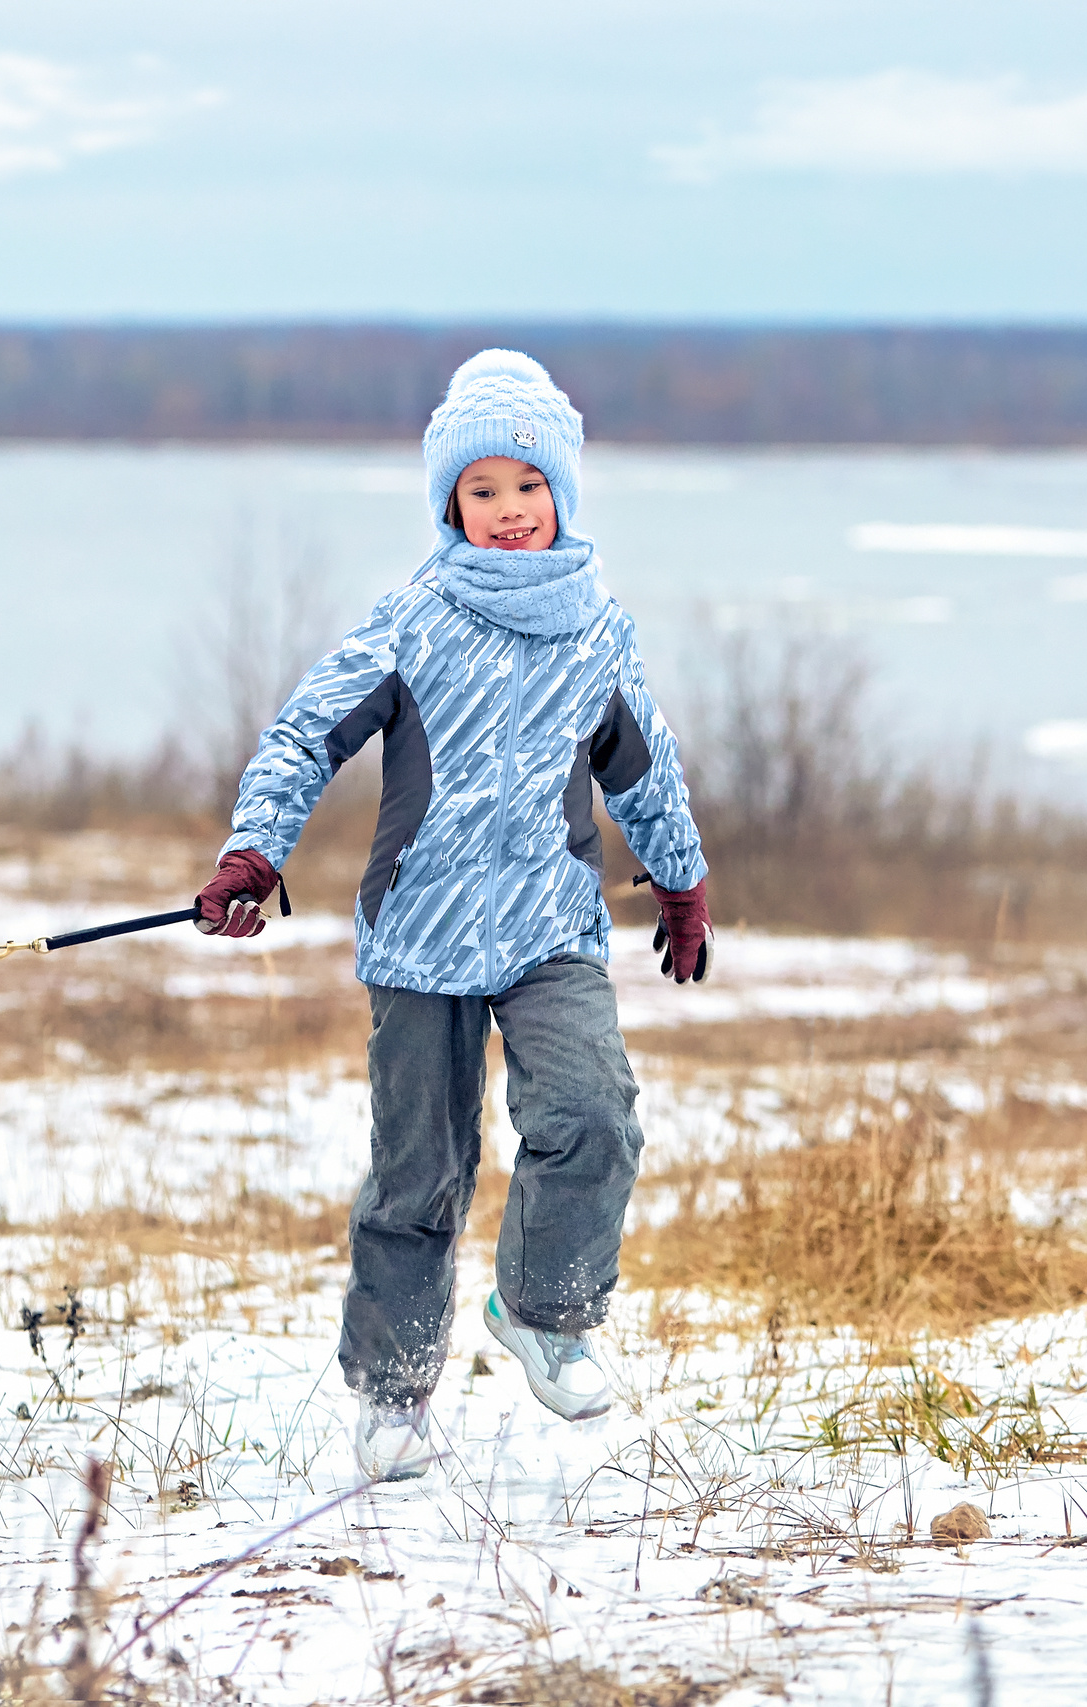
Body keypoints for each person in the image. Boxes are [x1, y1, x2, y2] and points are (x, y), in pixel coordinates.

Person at [191, 349, 712, 1482]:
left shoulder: (596, 630)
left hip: (548, 929)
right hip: (421, 937)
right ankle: (390, 1393)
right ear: (448, 505)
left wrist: (680, 879)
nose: (508, 513)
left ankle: (544, 1308)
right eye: (481, 492)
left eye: (527, 487)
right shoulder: (410, 622)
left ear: (561, 493)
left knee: (596, 1116)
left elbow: (646, 766)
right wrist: (252, 849)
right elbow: (302, 735)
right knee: (418, 1177)